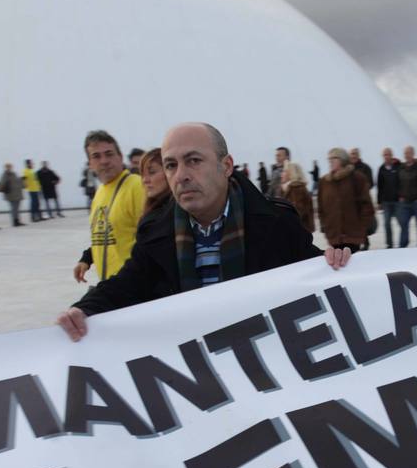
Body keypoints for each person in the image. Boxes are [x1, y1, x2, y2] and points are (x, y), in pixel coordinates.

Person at [57, 123, 350, 340]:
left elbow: (312, 273)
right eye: (171, 165)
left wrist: (336, 262)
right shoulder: (156, 233)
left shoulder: (275, 223)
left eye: (193, 161)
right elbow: (127, 284)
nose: (181, 175)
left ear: (226, 166)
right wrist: (84, 309)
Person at [74, 130, 147, 284]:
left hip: (132, 285)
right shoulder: (100, 192)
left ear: (120, 157)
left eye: (109, 154)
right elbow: (107, 233)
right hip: (110, 285)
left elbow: (150, 240)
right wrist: (87, 259)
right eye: (96, 156)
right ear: (90, 164)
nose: (104, 161)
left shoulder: (136, 186)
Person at [317, 147, 375, 253]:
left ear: (342, 160)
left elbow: (367, 205)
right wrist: (325, 225)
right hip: (333, 233)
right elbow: (321, 207)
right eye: (329, 159)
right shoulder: (324, 182)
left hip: (353, 233)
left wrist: (362, 227)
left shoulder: (357, 178)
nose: (330, 162)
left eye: (334, 158)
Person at [395, 144, 417, 247]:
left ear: (413, 154)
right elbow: (397, 183)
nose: (407, 155)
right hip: (405, 202)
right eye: (406, 153)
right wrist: (400, 195)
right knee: (404, 225)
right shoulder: (401, 167)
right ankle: (403, 245)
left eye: (409, 153)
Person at [280, 161, 315, 234]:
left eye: (284, 171)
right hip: (293, 230)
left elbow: (298, 212)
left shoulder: (297, 189)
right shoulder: (285, 189)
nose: (281, 174)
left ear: (291, 173)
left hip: (299, 231)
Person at [376, 147, 401, 247]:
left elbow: (402, 182)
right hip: (386, 202)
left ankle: (402, 243)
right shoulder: (381, 169)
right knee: (387, 224)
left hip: (397, 202)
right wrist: (379, 202)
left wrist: (402, 195)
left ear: (391, 155)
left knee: (402, 223)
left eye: (388, 154)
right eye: (385, 155)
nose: (387, 157)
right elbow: (379, 186)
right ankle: (389, 244)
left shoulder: (398, 167)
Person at [138, 147, 173, 219]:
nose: (145, 180)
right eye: (143, 174)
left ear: (168, 172)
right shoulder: (152, 210)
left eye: (152, 172)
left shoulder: (177, 214)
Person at [0, 163, 25, 227]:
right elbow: (2, 183)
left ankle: (17, 220)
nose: (9, 168)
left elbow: (17, 182)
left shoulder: (14, 174)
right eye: (8, 167)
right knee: (14, 209)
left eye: (10, 167)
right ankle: (15, 221)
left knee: (16, 208)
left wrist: (22, 182)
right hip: (11, 195)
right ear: (6, 168)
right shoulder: (5, 175)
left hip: (17, 194)